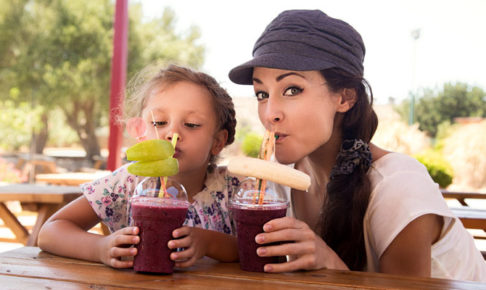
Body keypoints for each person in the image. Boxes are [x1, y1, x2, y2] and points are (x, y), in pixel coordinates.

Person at [228, 9, 486, 281]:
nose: (270, 113)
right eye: (261, 94)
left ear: (345, 98)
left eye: (292, 90)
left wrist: (329, 262)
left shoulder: (398, 186)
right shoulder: (277, 184)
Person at [39, 64, 240, 269]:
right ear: (141, 131)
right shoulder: (127, 183)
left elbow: (256, 249)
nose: (172, 134)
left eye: (191, 124)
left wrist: (209, 243)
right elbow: (50, 232)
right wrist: (100, 247)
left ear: (218, 141)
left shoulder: (234, 188)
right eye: (159, 122)